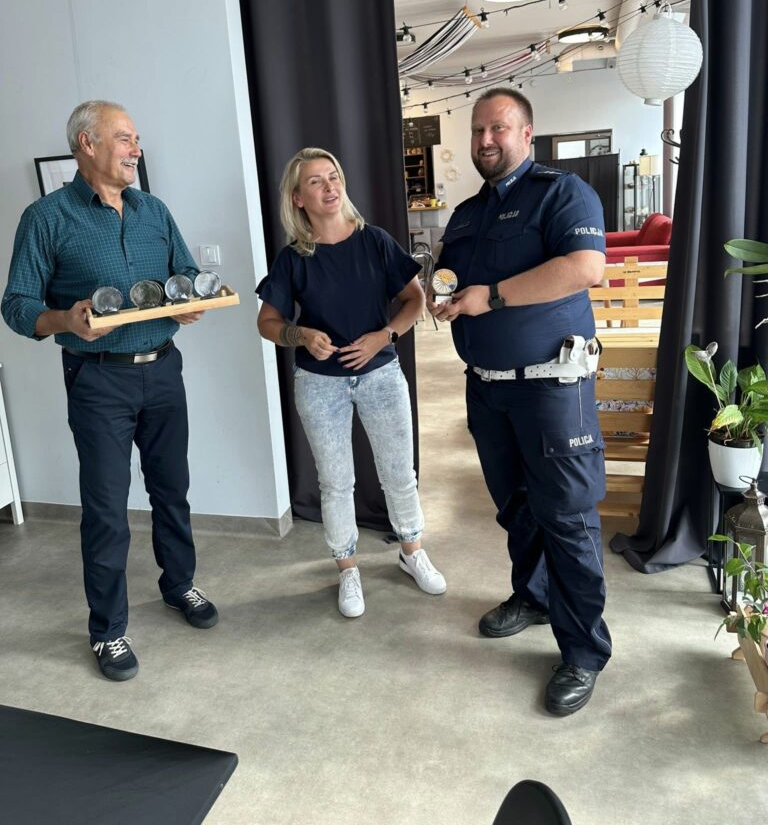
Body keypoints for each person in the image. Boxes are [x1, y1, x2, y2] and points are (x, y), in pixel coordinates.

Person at [2, 100, 218, 682]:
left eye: (136, 139)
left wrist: (189, 300)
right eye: (124, 138)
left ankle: (179, 584)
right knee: (105, 509)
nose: (135, 149)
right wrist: (65, 321)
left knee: (172, 489)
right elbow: (16, 306)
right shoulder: (46, 218)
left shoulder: (154, 210)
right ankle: (107, 630)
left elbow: (184, 274)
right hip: (98, 379)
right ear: (87, 144)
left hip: (163, 369)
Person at [428, 87, 610, 716]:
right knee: (517, 508)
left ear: (526, 134)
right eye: (478, 130)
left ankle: (583, 651)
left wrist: (494, 296)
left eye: (498, 128)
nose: (485, 140)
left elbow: (585, 267)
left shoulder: (563, 193)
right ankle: (532, 598)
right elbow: (454, 283)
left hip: (552, 386)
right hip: (487, 387)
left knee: (567, 517)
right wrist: (446, 299)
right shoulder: (464, 215)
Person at [256, 147, 446, 617]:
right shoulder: (293, 258)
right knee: (336, 482)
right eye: (316, 181)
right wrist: (300, 335)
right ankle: (347, 569)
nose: (329, 187)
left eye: (333, 176)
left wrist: (384, 335)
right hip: (320, 383)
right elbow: (267, 322)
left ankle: (412, 552)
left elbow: (414, 300)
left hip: (380, 373)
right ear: (298, 198)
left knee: (399, 472)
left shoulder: (375, 241)